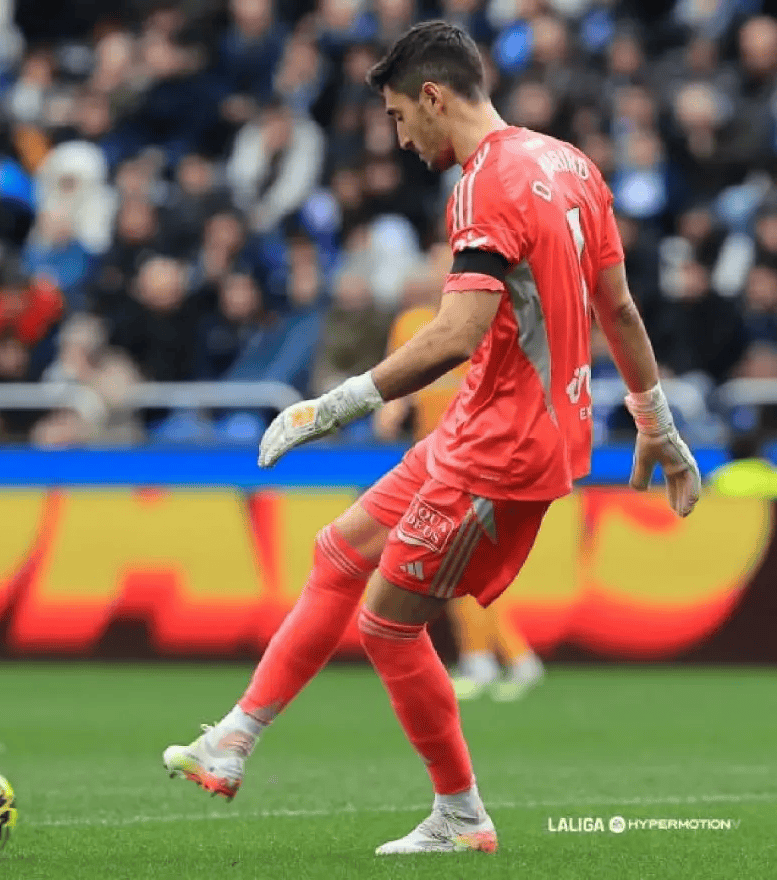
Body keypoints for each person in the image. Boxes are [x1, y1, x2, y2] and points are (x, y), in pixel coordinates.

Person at [162, 21, 702, 856]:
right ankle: (233, 738)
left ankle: (461, 815)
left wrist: (332, 405)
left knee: (386, 626)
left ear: (432, 96)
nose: (399, 137)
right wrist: (656, 421)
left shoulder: (485, 185)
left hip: (503, 449)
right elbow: (619, 309)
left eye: (396, 116)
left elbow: (455, 333)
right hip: (482, 425)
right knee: (339, 552)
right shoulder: (570, 164)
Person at [376, 263, 545, 703]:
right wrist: (391, 406)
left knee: (455, 563)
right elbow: (401, 378)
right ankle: (516, 658)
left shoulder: (485, 321)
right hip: (430, 462)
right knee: (459, 566)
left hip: (479, 458)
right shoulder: (409, 324)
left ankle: (482, 660)